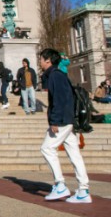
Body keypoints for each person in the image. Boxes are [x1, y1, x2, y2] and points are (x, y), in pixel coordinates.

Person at [39, 48, 91, 204]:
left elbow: (59, 99)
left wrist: (55, 121)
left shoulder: (55, 75)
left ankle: (60, 184)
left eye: (41, 59)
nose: (40, 62)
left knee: (47, 148)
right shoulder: (58, 75)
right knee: (74, 153)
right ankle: (83, 189)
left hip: (62, 120)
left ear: (48, 60)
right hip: (68, 119)